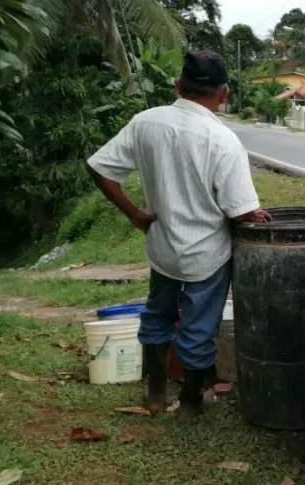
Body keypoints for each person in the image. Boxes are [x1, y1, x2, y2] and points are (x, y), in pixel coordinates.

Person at [85, 50, 271, 421]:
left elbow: (100, 168)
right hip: (207, 255)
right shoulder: (222, 140)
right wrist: (257, 214)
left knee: (157, 315)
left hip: (163, 246)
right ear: (225, 94)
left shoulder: (145, 123)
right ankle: (189, 402)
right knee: (199, 327)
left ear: (177, 85)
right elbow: (241, 211)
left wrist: (135, 214)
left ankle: (155, 393)